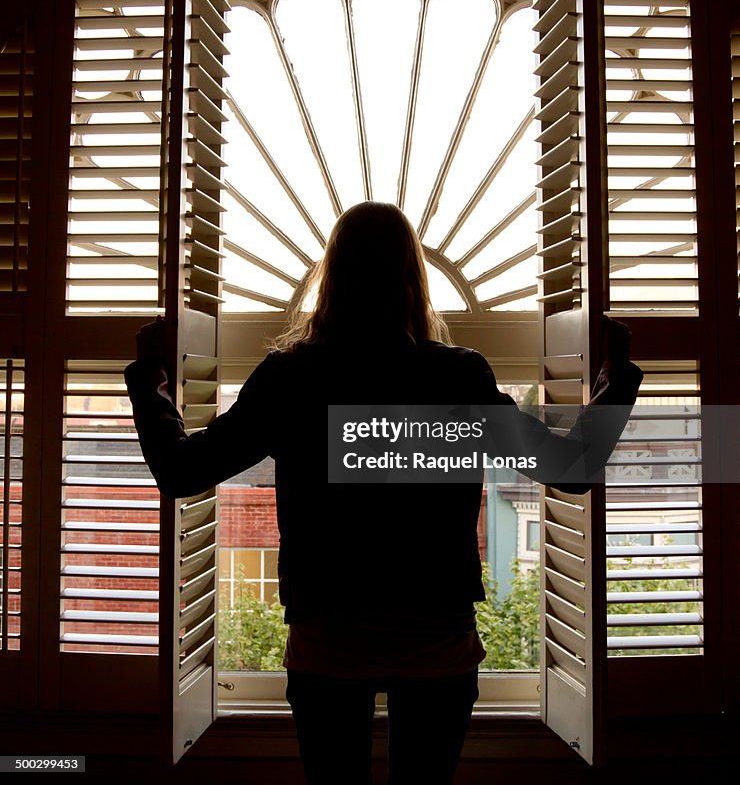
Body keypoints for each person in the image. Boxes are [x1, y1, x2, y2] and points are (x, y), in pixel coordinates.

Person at [125, 201, 642, 785]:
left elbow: (181, 471)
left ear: (333, 276)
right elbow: (571, 466)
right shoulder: (456, 376)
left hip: (328, 636)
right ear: (411, 277)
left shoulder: (291, 377)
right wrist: (616, 380)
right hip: (435, 637)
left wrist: (150, 382)